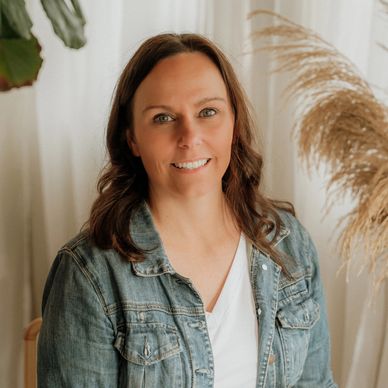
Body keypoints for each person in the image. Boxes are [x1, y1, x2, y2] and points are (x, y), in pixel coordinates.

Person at [37, 33, 337, 388]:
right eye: (163, 118)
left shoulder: (288, 244)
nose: (190, 136)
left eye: (208, 112)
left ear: (234, 124)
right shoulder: (90, 273)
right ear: (131, 138)